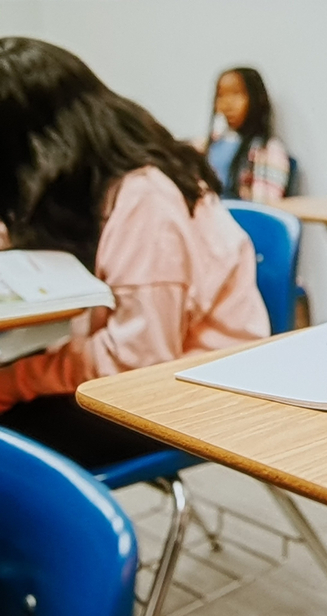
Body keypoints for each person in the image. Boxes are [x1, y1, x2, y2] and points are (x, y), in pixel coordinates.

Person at [0, 38, 271, 468]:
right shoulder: (96, 185)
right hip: (147, 369)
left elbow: (137, 358)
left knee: (11, 447)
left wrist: (14, 382)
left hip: (189, 392)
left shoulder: (145, 197)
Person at [203, 66, 292, 204]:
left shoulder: (268, 151)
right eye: (221, 95)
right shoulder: (210, 145)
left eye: (236, 93)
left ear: (257, 99)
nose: (227, 104)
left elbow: (263, 208)